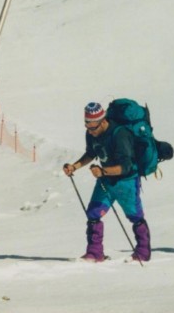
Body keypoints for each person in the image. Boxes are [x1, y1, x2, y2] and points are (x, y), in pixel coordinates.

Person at [63, 102, 151, 262]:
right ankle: (95, 253)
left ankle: (143, 252)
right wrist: (74, 166)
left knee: (135, 216)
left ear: (103, 121)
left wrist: (103, 171)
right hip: (106, 180)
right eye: (87, 127)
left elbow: (126, 166)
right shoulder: (91, 133)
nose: (90, 132)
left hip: (126, 181)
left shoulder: (120, 134)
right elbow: (91, 153)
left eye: (93, 128)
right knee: (93, 213)